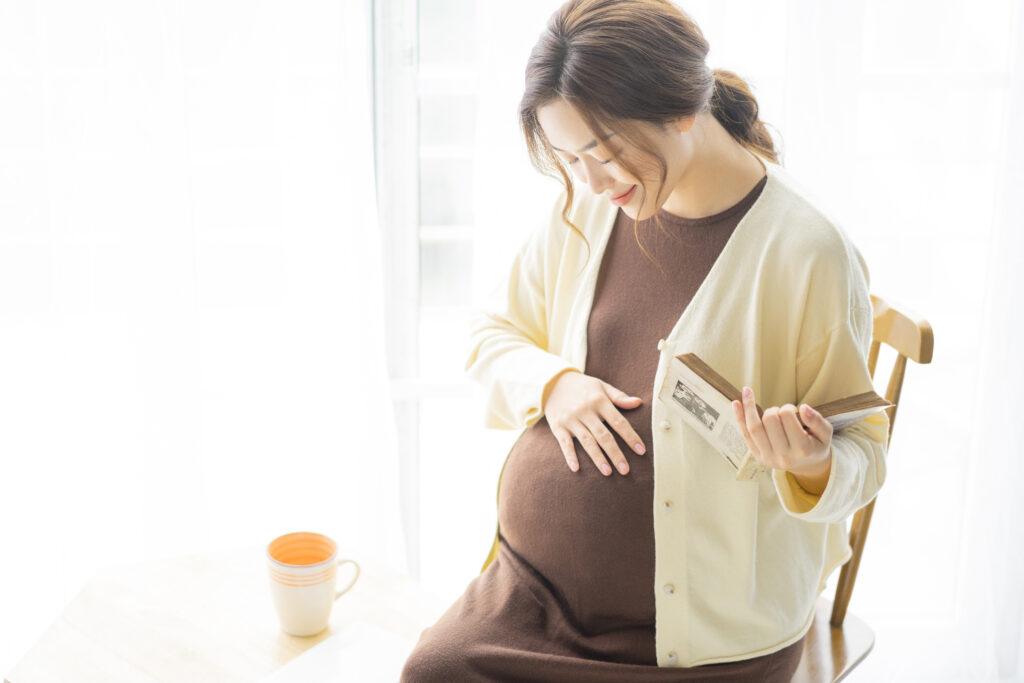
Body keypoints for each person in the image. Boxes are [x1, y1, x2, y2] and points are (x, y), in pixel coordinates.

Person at [401, 0, 889, 680]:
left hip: (701, 640)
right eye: (569, 160)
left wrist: (810, 464)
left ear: (681, 109)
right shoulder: (591, 206)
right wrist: (555, 383)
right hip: (534, 594)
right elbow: (490, 333)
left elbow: (863, 453)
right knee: (431, 670)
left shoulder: (807, 252)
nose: (592, 184)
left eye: (601, 155)